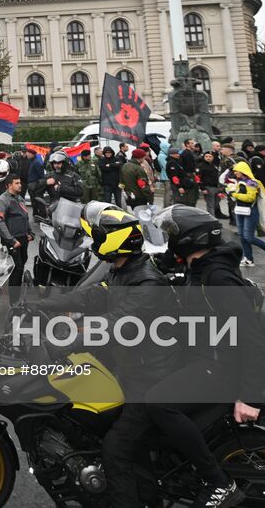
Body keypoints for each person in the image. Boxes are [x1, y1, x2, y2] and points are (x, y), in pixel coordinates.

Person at [153, 205, 265, 508]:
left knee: (159, 403)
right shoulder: (201, 265)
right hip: (202, 353)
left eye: (172, 235)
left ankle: (218, 483)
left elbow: (251, 335)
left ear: (190, 240)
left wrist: (250, 396)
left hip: (218, 365)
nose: (169, 240)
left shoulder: (217, 276)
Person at [65, 202, 176, 508]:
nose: (93, 244)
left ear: (113, 240)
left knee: (115, 448)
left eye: (97, 238)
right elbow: (92, 295)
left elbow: (117, 324)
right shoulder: (123, 268)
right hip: (131, 369)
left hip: (148, 378)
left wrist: (70, 339)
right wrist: (41, 305)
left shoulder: (146, 281)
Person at [221, 165, 265, 267]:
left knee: (249, 237)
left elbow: (249, 198)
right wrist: (229, 170)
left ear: (242, 171)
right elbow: (223, 180)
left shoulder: (252, 182)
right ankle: (248, 259)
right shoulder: (239, 181)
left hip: (250, 211)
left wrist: (233, 194)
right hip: (240, 210)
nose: (235, 173)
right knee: (242, 236)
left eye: (237, 171)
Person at [0, 174, 32, 298]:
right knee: (17, 268)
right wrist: (11, 240)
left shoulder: (19, 198)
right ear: (9, 185)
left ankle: (14, 292)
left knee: (22, 263)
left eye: (20, 183)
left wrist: (30, 233)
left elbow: (25, 216)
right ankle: (13, 302)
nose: (20, 185)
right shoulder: (2, 200)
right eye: (17, 183)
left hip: (23, 239)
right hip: (12, 241)